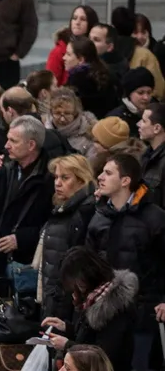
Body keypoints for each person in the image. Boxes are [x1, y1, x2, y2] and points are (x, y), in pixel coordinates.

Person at [84, 151, 165, 368]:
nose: (100, 177)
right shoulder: (98, 217)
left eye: (108, 173)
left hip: (143, 317)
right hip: (104, 316)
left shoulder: (154, 217)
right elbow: (87, 266)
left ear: (125, 180)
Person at [0, 115, 55, 280]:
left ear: (31, 145)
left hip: (27, 265)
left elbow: (55, 225)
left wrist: (22, 239)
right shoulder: (4, 170)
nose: (6, 145)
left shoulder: (51, 178)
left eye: (13, 141)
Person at [41, 247, 139, 371]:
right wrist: (66, 327)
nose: (74, 291)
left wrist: (66, 345)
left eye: (76, 285)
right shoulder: (95, 298)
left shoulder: (115, 308)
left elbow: (103, 358)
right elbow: (88, 336)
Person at [40, 154, 98, 322]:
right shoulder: (62, 209)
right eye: (56, 177)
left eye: (65, 178)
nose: (57, 183)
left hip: (67, 299)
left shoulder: (83, 211)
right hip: (54, 294)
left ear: (81, 180)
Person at [64, 36, 121, 118]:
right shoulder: (105, 72)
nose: (64, 57)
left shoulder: (78, 79)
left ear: (81, 59)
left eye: (68, 54)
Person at [50, 6, 100, 85]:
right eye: (74, 18)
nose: (77, 22)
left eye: (83, 19)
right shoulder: (59, 50)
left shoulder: (96, 47)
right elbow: (50, 84)